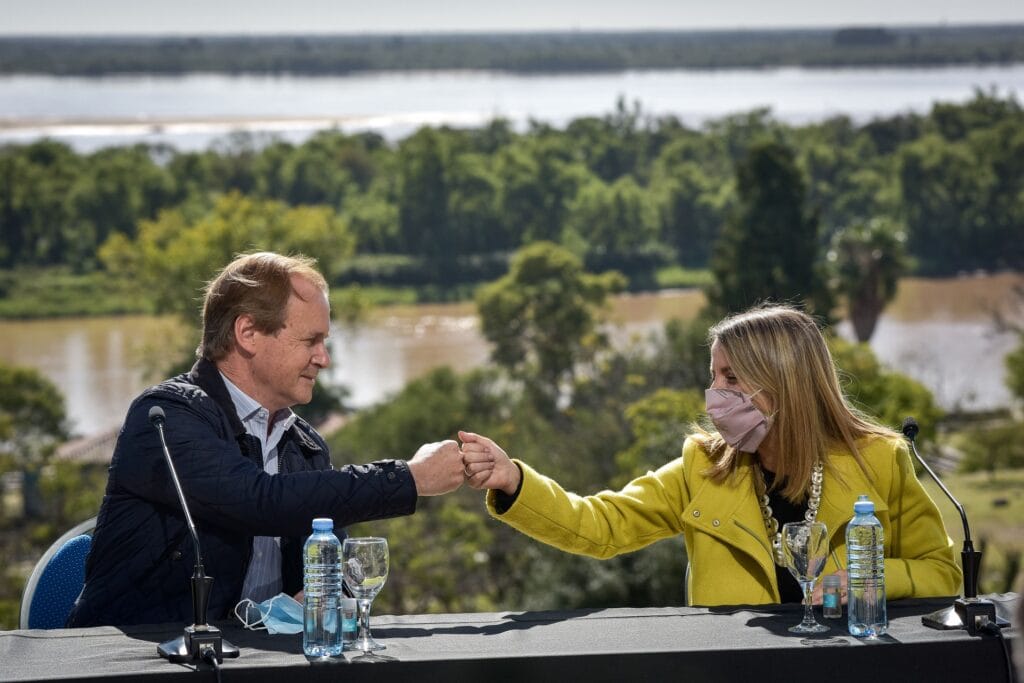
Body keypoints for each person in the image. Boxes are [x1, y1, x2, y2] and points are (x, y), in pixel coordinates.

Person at [461, 304, 962, 606]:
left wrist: (867, 578)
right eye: (713, 376)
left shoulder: (882, 461)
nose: (713, 393)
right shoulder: (702, 466)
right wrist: (514, 482)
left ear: (784, 384)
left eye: (731, 378)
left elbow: (942, 574)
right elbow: (601, 525)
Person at [69, 252, 465, 627]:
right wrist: (408, 479)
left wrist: (317, 597)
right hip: (134, 666)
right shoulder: (164, 417)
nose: (324, 358)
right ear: (249, 333)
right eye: (311, 341)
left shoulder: (305, 445)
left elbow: (334, 572)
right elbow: (257, 500)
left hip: (253, 663)